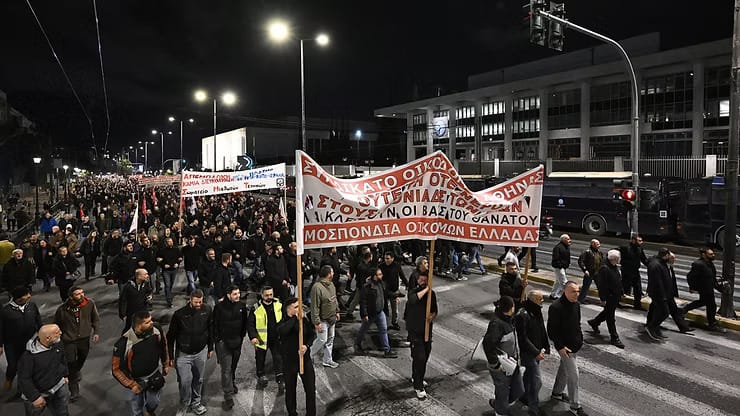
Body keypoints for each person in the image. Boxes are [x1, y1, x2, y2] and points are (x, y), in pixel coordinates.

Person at [112, 310, 169, 416]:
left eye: (151, 320)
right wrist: (131, 385)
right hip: (136, 381)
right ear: (138, 326)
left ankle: (149, 412)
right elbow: (116, 369)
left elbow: (163, 346)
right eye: (147, 322)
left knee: (154, 402)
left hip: (154, 374)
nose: (152, 323)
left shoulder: (157, 329)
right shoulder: (124, 343)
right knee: (137, 409)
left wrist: (165, 363)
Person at [167, 290, 214, 415]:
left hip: (201, 352)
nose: (198, 304)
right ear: (190, 300)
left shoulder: (207, 310)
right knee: (184, 382)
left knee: (198, 380)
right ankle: (184, 404)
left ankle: (196, 403)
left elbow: (211, 329)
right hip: (183, 354)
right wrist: (170, 356)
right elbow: (170, 337)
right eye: (196, 302)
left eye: (200, 302)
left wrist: (210, 348)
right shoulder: (179, 315)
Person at [547, 281, 587, 416]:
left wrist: (580, 338)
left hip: (575, 345)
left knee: (564, 369)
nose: (577, 294)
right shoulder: (556, 307)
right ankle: (575, 406)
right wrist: (560, 347)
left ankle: (557, 393)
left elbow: (577, 324)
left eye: (578, 291)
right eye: (573, 291)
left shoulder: (576, 305)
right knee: (574, 376)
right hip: (565, 348)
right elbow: (552, 330)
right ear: (565, 291)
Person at [53, 286, 100, 402]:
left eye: (82, 292)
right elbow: (56, 324)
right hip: (69, 340)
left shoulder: (89, 304)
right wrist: (57, 337)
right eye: (78, 294)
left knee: (82, 357)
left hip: (84, 338)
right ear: (71, 297)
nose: (81, 295)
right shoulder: (62, 309)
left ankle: (76, 371)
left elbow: (95, 318)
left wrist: (96, 332)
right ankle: (74, 390)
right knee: (71, 363)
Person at [483, 295, 524, 416]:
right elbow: (488, 344)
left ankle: (499, 403)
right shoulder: (497, 324)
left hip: (512, 363)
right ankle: (500, 411)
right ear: (511, 308)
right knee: (502, 391)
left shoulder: (509, 319)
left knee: (518, 389)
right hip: (501, 366)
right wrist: (495, 364)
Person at [17, 324, 69, 416]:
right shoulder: (28, 357)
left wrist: (65, 375)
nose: (61, 333)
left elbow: (62, 359)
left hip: (59, 386)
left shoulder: (58, 344)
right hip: (40, 393)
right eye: (57, 332)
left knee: (63, 413)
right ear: (48, 338)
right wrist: (35, 397)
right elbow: (24, 378)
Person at [276, 297, 316, 416]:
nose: (299, 309)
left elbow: (312, 335)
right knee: (290, 390)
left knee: (310, 389)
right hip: (290, 362)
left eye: (300, 306)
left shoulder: (304, 320)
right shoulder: (282, 323)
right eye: (296, 307)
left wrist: (306, 346)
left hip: (304, 359)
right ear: (288, 309)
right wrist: (295, 318)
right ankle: (292, 413)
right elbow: (283, 331)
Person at [213, 285, 249, 411]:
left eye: (238, 293)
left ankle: (231, 382)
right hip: (224, 343)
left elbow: (244, 323)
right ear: (228, 295)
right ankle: (228, 395)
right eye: (235, 294)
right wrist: (218, 340)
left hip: (237, 342)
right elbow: (215, 325)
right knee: (226, 369)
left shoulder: (242, 306)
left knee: (233, 367)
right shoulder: (219, 307)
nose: (238, 296)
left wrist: (241, 337)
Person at [514, 291, 549, 416]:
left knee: (529, 377)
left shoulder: (536, 310)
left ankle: (523, 396)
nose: (542, 301)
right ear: (533, 300)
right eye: (540, 299)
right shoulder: (522, 315)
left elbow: (541, 328)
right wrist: (535, 352)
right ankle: (534, 408)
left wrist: (546, 345)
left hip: (537, 351)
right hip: (529, 353)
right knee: (536, 382)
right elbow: (523, 339)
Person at [0, 286, 41, 393]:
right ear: (19, 298)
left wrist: (41, 333)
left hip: (30, 341)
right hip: (12, 344)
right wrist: (0, 345)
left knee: (29, 365)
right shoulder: (5, 311)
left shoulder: (31, 306)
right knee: (13, 365)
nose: (29, 296)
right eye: (26, 294)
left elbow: (38, 320)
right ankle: (9, 380)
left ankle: (23, 387)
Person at [404, 270, 437, 400]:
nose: (422, 281)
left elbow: (434, 310)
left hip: (426, 332)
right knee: (420, 357)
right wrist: (426, 289)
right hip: (415, 331)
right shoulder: (413, 292)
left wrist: (431, 317)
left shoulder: (431, 295)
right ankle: (418, 386)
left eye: (425, 280)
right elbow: (413, 300)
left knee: (424, 356)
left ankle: (416, 377)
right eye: (421, 279)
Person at [355, 267, 398, 358]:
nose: (381, 276)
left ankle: (387, 350)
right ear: (374, 276)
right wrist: (364, 314)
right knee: (364, 329)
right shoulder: (367, 287)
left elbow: (386, 293)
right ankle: (357, 344)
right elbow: (363, 302)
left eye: (381, 274)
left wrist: (395, 296)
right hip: (371, 313)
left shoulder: (382, 284)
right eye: (379, 274)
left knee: (383, 330)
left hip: (380, 312)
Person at [246, 286, 284, 388]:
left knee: (278, 357)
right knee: (260, 358)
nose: (269, 297)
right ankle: (261, 375)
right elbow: (250, 324)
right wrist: (253, 337)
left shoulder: (279, 304)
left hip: (276, 338)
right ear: (262, 295)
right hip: (261, 339)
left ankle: (280, 378)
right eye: (267, 295)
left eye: (271, 294)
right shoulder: (256, 308)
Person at [586, 250, 625, 348]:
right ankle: (614, 337)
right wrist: (603, 298)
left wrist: (621, 291)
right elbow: (602, 285)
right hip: (609, 296)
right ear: (615, 259)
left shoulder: (613, 266)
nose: (620, 259)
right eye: (619, 257)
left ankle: (594, 322)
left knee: (607, 312)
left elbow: (617, 279)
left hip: (615, 295)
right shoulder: (605, 268)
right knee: (610, 317)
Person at [683, 248, 726, 333]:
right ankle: (712, 324)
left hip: (709, 287)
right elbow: (690, 276)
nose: (713, 255)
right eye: (710, 254)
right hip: (703, 288)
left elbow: (712, 277)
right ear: (703, 255)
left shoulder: (710, 263)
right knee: (711, 305)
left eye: (713, 254)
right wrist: (692, 287)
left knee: (702, 302)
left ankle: (683, 310)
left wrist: (718, 287)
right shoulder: (698, 264)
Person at [310, 265, 341, 368]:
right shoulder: (317, 288)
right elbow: (314, 306)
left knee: (330, 339)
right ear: (328, 274)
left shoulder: (331, 284)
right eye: (332, 272)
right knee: (322, 340)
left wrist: (337, 311)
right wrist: (316, 322)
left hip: (332, 317)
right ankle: (308, 355)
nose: (333, 274)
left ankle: (327, 360)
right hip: (322, 320)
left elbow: (334, 299)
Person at [645, 248, 673, 341]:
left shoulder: (661, 263)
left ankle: (655, 328)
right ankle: (651, 327)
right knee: (664, 312)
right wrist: (663, 295)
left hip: (662, 293)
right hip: (658, 293)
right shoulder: (656, 265)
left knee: (656, 310)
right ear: (666, 255)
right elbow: (657, 282)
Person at [379, 251, 408, 330]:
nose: (386, 260)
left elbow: (402, 275)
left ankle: (394, 322)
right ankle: (383, 323)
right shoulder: (381, 266)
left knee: (395, 309)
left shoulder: (397, 266)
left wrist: (407, 284)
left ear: (392, 258)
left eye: (388, 258)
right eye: (385, 258)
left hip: (394, 290)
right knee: (384, 308)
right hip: (384, 291)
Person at [619, 235, 649, 310]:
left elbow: (644, 259)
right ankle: (615, 302)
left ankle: (637, 305)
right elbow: (614, 252)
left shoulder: (639, 249)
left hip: (635, 272)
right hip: (626, 272)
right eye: (639, 241)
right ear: (633, 240)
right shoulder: (625, 248)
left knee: (638, 289)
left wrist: (651, 266)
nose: (641, 242)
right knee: (623, 288)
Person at [156, 237, 182, 308]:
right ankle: (169, 301)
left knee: (171, 285)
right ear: (166, 243)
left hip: (174, 269)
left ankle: (168, 294)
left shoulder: (176, 249)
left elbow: (180, 257)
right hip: (166, 270)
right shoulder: (162, 251)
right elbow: (158, 260)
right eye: (169, 242)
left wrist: (178, 263)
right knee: (167, 285)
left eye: (171, 241)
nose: (170, 243)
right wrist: (163, 265)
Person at [550, 234, 572, 300]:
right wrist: (560, 265)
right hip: (559, 267)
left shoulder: (566, 247)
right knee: (564, 282)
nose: (570, 240)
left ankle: (553, 295)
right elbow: (556, 258)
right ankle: (567, 296)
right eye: (568, 239)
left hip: (563, 267)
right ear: (563, 240)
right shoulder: (558, 247)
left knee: (558, 282)